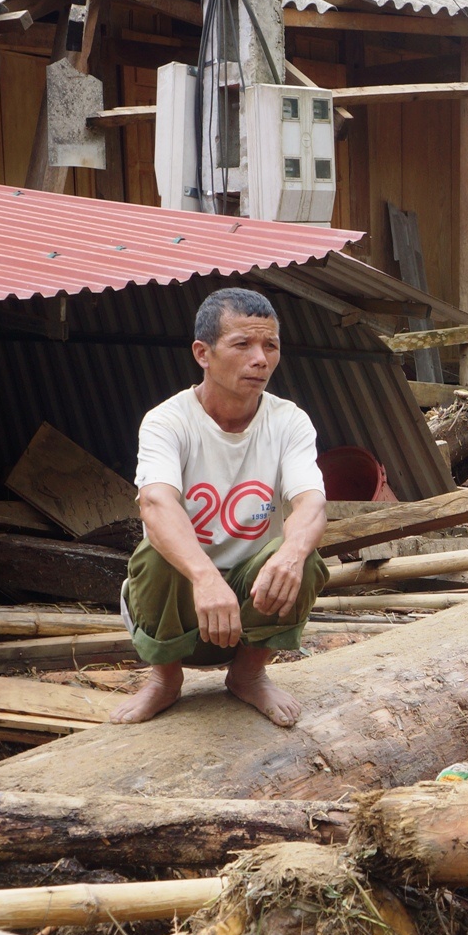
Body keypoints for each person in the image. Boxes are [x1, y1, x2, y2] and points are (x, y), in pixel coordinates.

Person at [110, 287, 329, 725]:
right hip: (179, 609)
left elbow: (312, 502)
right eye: (242, 344)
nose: (260, 359)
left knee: (302, 559)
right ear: (202, 353)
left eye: (270, 345)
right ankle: (164, 679)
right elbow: (155, 502)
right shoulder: (167, 420)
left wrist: (290, 554)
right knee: (156, 554)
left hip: (253, 605)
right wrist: (205, 577)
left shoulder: (289, 421)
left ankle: (248, 675)